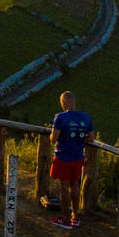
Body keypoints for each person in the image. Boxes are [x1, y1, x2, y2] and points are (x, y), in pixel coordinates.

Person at [49, 90, 94, 229]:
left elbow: (54, 138)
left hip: (62, 156)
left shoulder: (60, 117)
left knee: (64, 188)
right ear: (74, 102)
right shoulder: (86, 118)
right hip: (78, 157)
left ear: (63, 103)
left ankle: (65, 219)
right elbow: (91, 139)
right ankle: (76, 217)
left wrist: (52, 136)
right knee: (75, 186)